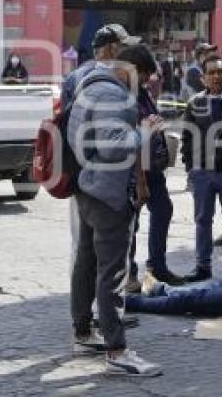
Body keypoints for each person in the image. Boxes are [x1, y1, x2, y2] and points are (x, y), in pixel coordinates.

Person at [68, 51, 161, 377]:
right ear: (131, 70)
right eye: (144, 78)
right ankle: (117, 351)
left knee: (87, 262)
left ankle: (82, 333)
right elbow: (115, 147)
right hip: (108, 192)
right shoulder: (113, 95)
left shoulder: (87, 87)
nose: (144, 86)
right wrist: (146, 131)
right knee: (113, 272)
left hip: (87, 186)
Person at [61, 24, 141, 271]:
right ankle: (105, 301)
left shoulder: (78, 76)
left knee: (85, 248)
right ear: (111, 48)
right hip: (102, 176)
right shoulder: (110, 80)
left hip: (81, 173)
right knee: (99, 251)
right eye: (124, 46)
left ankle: (86, 303)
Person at [118, 45, 184, 290]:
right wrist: (141, 179)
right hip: (136, 169)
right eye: (146, 74)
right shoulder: (121, 95)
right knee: (131, 222)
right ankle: (129, 276)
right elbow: (130, 137)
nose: (149, 80)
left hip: (153, 166)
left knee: (163, 209)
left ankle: (157, 266)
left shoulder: (142, 92)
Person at [180, 53, 222, 282]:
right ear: (203, 79)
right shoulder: (194, 103)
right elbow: (186, 138)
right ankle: (202, 266)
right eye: (212, 73)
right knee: (202, 220)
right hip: (202, 173)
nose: (217, 76)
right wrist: (190, 168)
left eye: (221, 72)